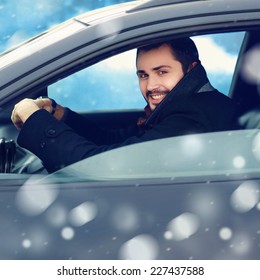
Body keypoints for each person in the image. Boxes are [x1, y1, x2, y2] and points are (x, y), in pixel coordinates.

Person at [11, 37, 240, 173]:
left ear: (190, 69)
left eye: (162, 72)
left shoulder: (193, 117)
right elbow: (120, 144)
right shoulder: (188, 104)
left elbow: (102, 165)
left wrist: (35, 120)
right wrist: (59, 115)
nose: (151, 86)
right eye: (143, 75)